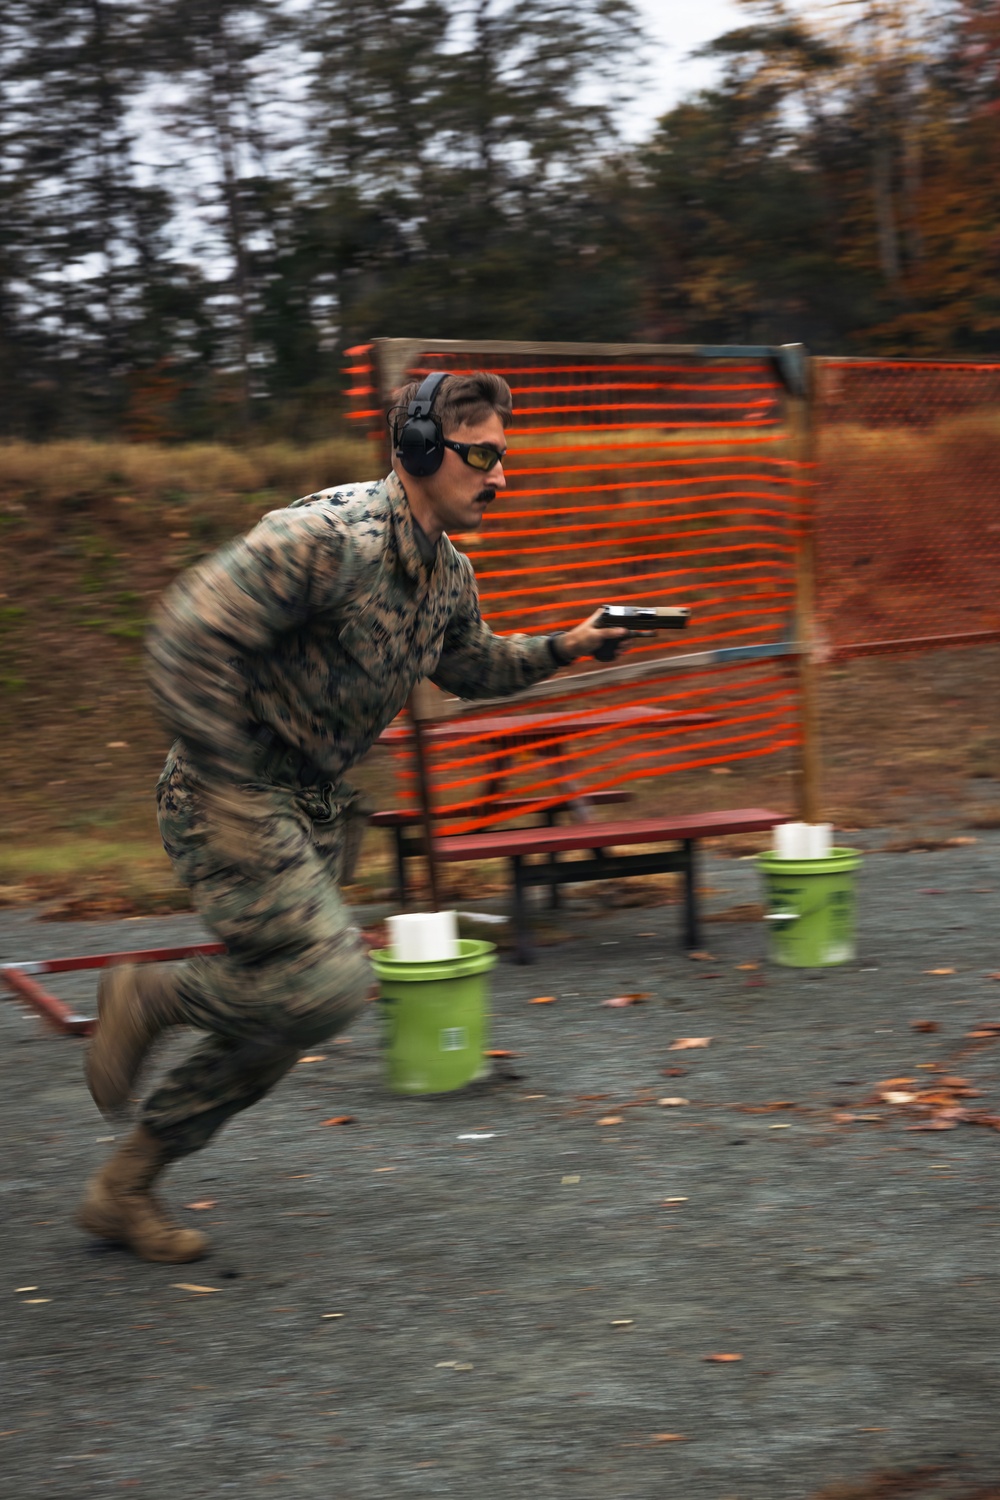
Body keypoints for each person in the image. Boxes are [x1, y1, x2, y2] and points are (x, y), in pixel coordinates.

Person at [77, 370, 627, 1263]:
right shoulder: (323, 537)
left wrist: (569, 644)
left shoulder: (448, 574)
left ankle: (124, 1187)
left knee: (285, 1023)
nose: (499, 476)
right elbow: (185, 634)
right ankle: (151, 997)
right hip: (231, 787)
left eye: (503, 456)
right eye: (481, 454)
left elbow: (470, 666)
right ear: (417, 450)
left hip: (316, 810)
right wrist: (223, 786)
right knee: (329, 983)